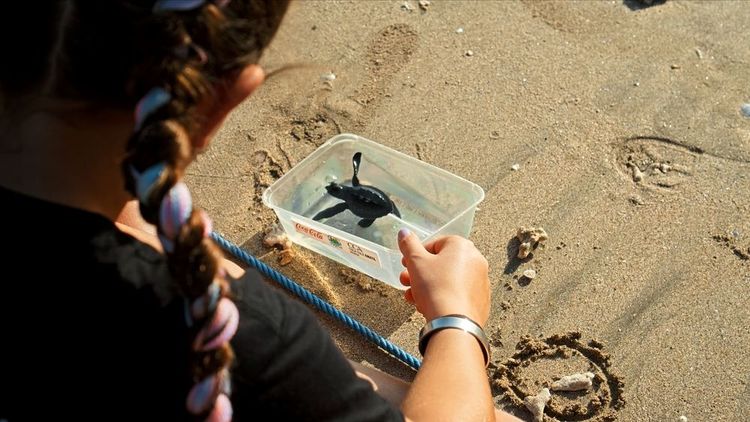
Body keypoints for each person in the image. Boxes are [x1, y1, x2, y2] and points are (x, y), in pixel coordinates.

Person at [0, 1, 520, 421]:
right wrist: (457, 318)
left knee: (373, 382)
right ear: (221, 100)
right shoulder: (252, 336)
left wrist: (133, 223)